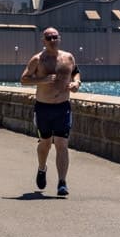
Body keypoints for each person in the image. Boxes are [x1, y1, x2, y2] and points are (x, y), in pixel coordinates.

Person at [20, 27, 82, 197]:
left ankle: (62, 182)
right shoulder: (37, 59)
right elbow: (23, 79)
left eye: (55, 37)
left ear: (59, 38)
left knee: (62, 143)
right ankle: (42, 168)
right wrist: (43, 79)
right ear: (44, 41)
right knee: (45, 143)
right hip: (44, 108)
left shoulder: (68, 57)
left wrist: (76, 84)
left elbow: (76, 73)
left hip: (63, 107)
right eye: (49, 38)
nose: (53, 40)